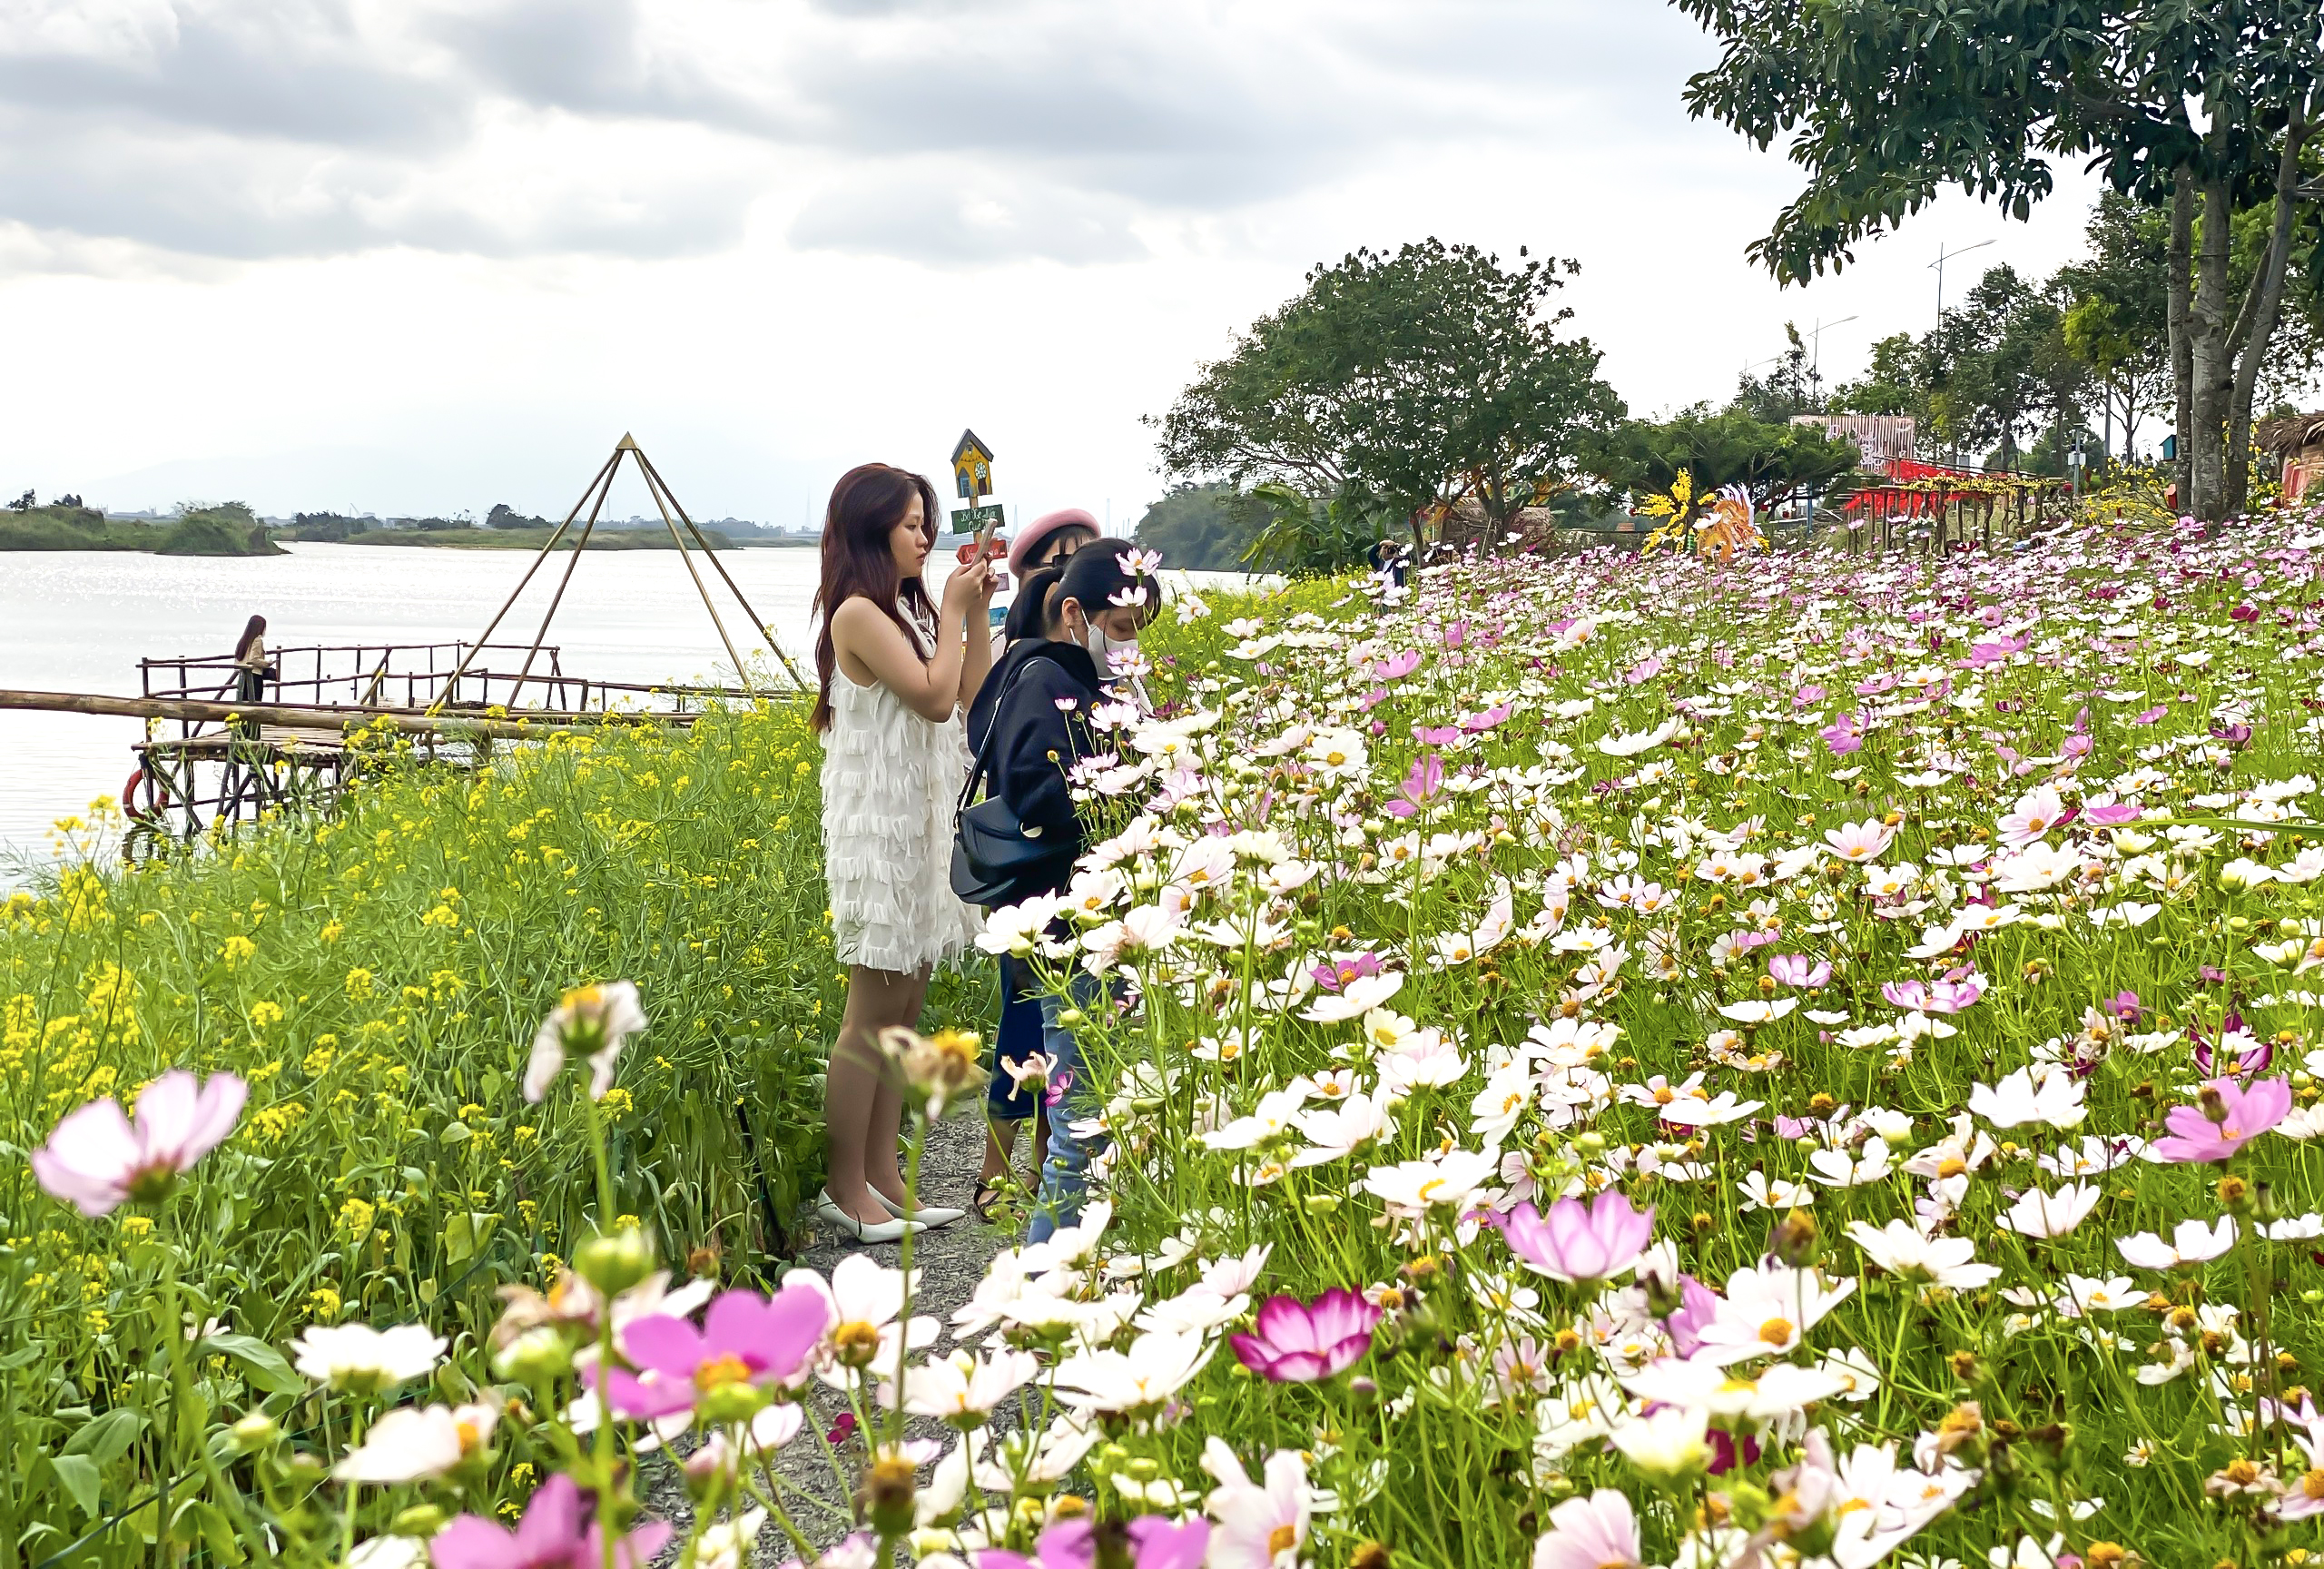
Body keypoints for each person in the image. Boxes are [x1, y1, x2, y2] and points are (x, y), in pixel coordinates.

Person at [812, 463, 995, 1243]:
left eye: (927, 522)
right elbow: (926, 695)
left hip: (923, 824)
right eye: (913, 523)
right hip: (877, 831)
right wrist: (952, 606)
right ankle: (842, 1187)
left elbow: (968, 693)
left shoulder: (912, 609)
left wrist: (975, 612)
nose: (926, 536)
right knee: (870, 1014)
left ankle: (885, 1176)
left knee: (908, 1005)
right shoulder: (856, 613)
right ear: (872, 529)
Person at [964, 541, 1159, 1241]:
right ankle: (1043, 1281)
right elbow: (1036, 794)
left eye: (1142, 629)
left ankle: (1074, 1268)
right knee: (1078, 1132)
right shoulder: (1042, 680)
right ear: (1074, 612)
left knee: (1093, 1116)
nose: (1129, 643)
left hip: (1086, 922)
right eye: (1124, 624)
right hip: (1063, 925)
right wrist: (1128, 786)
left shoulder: (1081, 683)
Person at [970, 558, 1068, 1219]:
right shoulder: (1038, 679)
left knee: (1038, 1020)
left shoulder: (1021, 673)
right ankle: (998, 1178)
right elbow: (1035, 786)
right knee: (1028, 1025)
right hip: (1040, 885)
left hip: (1027, 886)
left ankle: (1035, 1173)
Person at [229, 616, 275, 738]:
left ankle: (242, 735)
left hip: (242, 677)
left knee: (243, 707)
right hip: (254, 677)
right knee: (255, 708)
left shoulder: (244, 640)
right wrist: (267, 663)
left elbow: (240, 660)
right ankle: (253, 736)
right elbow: (253, 660)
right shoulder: (257, 640)